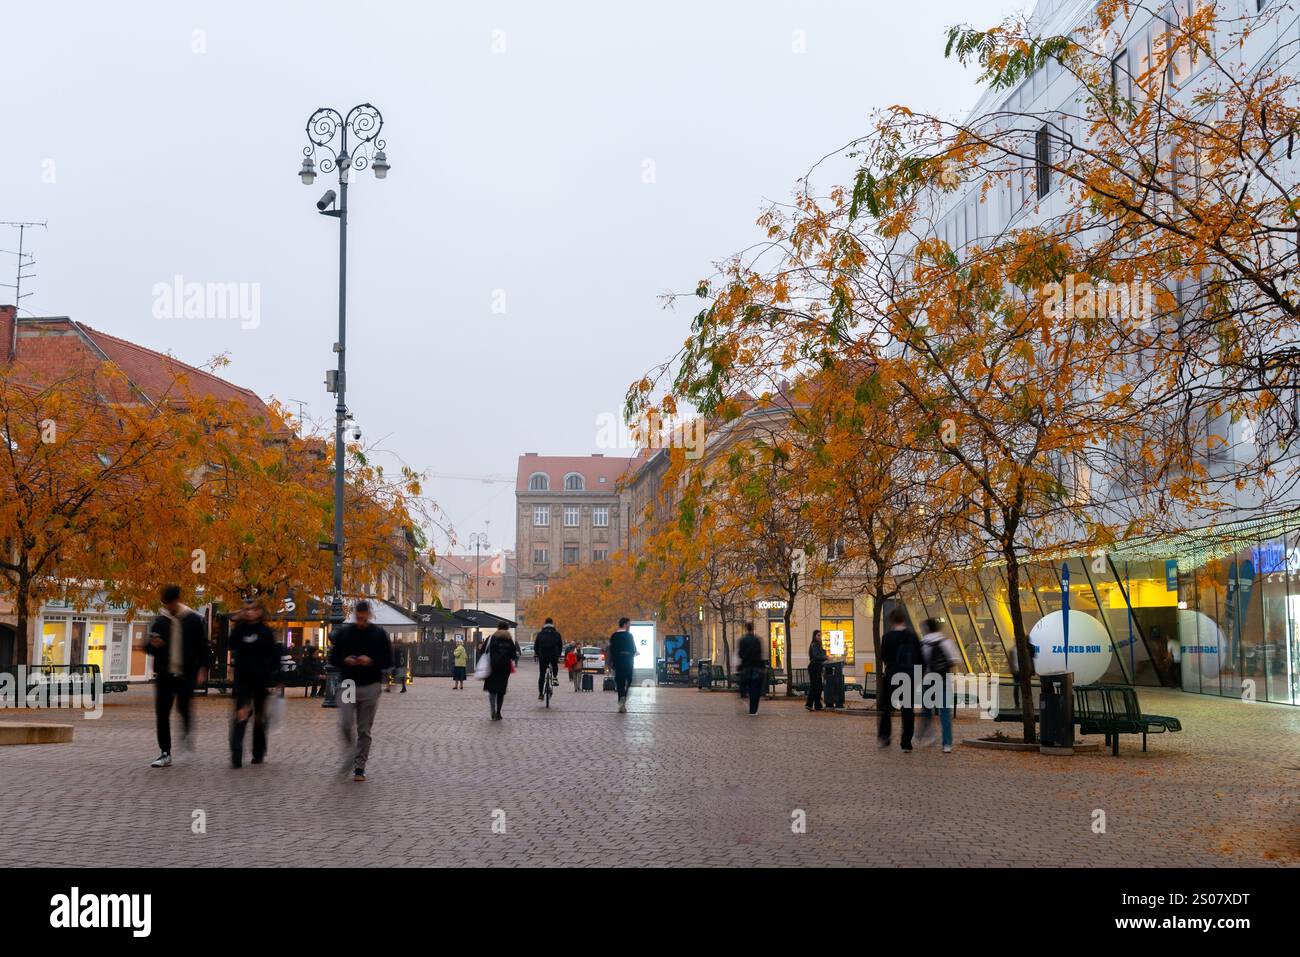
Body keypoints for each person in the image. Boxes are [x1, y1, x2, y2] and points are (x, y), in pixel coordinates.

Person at [146, 584, 210, 768]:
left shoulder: (193, 620)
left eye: (170, 604)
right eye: (165, 605)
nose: (168, 608)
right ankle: (165, 752)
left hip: (185, 674)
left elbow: (203, 647)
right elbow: (148, 647)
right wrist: (153, 644)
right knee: (162, 713)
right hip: (164, 675)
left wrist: (203, 669)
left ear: (177, 601)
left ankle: (187, 732)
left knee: (184, 708)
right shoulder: (160, 621)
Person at [330, 600, 393, 782]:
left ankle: (359, 766)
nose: (360, 622)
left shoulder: (379, 634)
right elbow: (334, 658)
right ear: (355, 615)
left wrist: (371, 661)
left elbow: (388, 661)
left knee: (364, 729)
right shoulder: (345, 633)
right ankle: (351, 752)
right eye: (358, 618)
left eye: (363, 618)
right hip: (349, 683)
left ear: (369, 615)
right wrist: (345, 659)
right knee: (345, 723)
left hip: (370, 685)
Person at [228, 600, 280, 768]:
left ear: (259, 611)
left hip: (261, 681)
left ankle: (258, 752)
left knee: (259, 718)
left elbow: (274, 656)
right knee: (241, 714)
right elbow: (230, 644)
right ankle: (236, 752)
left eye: (253, 609)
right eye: (246, 609)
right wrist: (235, 621)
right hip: (242, 680)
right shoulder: (240, 629)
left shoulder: (266, 632)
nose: (249, 612)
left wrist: (275, 679)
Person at [878, 607, 922, 752]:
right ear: (904, 620)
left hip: (892, 674)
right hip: (908, 676)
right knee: (907, 709)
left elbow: (883, 656)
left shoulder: (887, 637)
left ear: (891, 621)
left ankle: (885, 736)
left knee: (886, 707)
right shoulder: (912, 636)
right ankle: (906, 743)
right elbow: (920, 658)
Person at [918, 618, 960, 753]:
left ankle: (928, 736)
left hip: (927, 679)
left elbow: (919, 663)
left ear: (927, 629)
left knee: (926, 709)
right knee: (945, 711)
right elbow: (955, 660)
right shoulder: (946, 642)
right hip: (943, 679)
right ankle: (947, 743)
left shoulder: (922, 643)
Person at [480, 623, 519, 720]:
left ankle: (492, 710)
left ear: (497, 628)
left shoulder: (491, 638)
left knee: (492, 690)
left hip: (492, 667)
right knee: (501, 691)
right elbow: (514, 655)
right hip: (504, 669)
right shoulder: (509, 640)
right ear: (507, 629)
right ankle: (498, 713)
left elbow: (483, 651)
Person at [608, 618, 637, 713]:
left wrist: (611, 663)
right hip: (628, 662)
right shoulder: (629, 636)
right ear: (625, 624)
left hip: (618, 662)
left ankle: (621, 699)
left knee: (619, 682)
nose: (630, 626)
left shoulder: (614, 636)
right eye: (629, 624)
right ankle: (623, 699)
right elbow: (633, 649)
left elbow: (611, 650)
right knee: (628, 681)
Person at [737, 621, 766, 716]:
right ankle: (753, 709)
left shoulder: (742, 640)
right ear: (752, 628)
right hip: (756, 667)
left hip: (746, 667)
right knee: (755, 689)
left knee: (748, 686)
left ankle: (749, 704)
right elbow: (760, 654)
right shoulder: (757, 640)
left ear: (746, 628)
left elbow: (740, 654)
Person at [534, 618, 564, 700]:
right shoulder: (557, 634)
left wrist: (537, 654)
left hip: (543, 655)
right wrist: (559, 654)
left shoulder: (540, 634)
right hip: (553, 654)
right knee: (554, 665)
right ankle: (554, 677)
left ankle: (540, 693)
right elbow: (560, 645)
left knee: (542, 674)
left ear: (545, 624)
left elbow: (536, 645)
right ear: (552, 623)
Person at [806, 629, 827, 712]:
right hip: (814, 667)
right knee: (814, 686)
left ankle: (817, 705)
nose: (820, 637)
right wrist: (825, 657)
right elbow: (816, 656)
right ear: (814, 636)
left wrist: (825, 655)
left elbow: (821, 654)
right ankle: (809, 704)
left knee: (818, 686)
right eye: (818, 635)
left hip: (817, 667)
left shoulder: (818, 645)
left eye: (820, 635)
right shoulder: (814, 645)